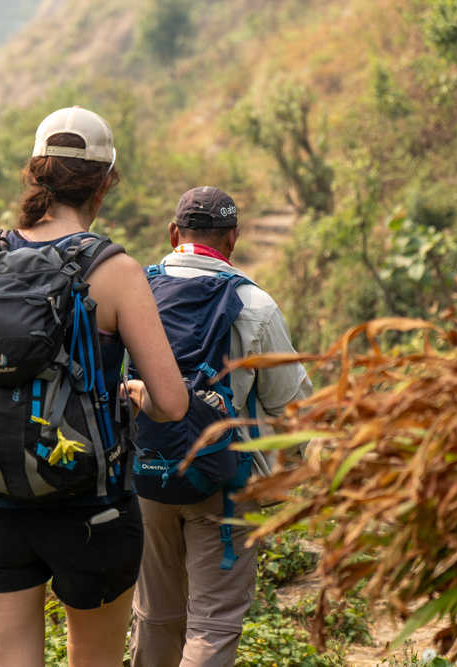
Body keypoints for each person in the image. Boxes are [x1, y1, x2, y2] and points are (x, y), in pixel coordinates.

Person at [0, 106, 188, 667]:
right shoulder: (115, 271)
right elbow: (173, 402)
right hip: (91, 509)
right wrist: (132, 396)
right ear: (106, 183)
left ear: (35, 172)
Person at [128, 186, 313, 667]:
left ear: (174, 234)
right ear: (232, 238)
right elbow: (291, 404)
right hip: (225, 485)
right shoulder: (254, 305)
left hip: (146, 475)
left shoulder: (136, 292)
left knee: (154, 615)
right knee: (213, 624)